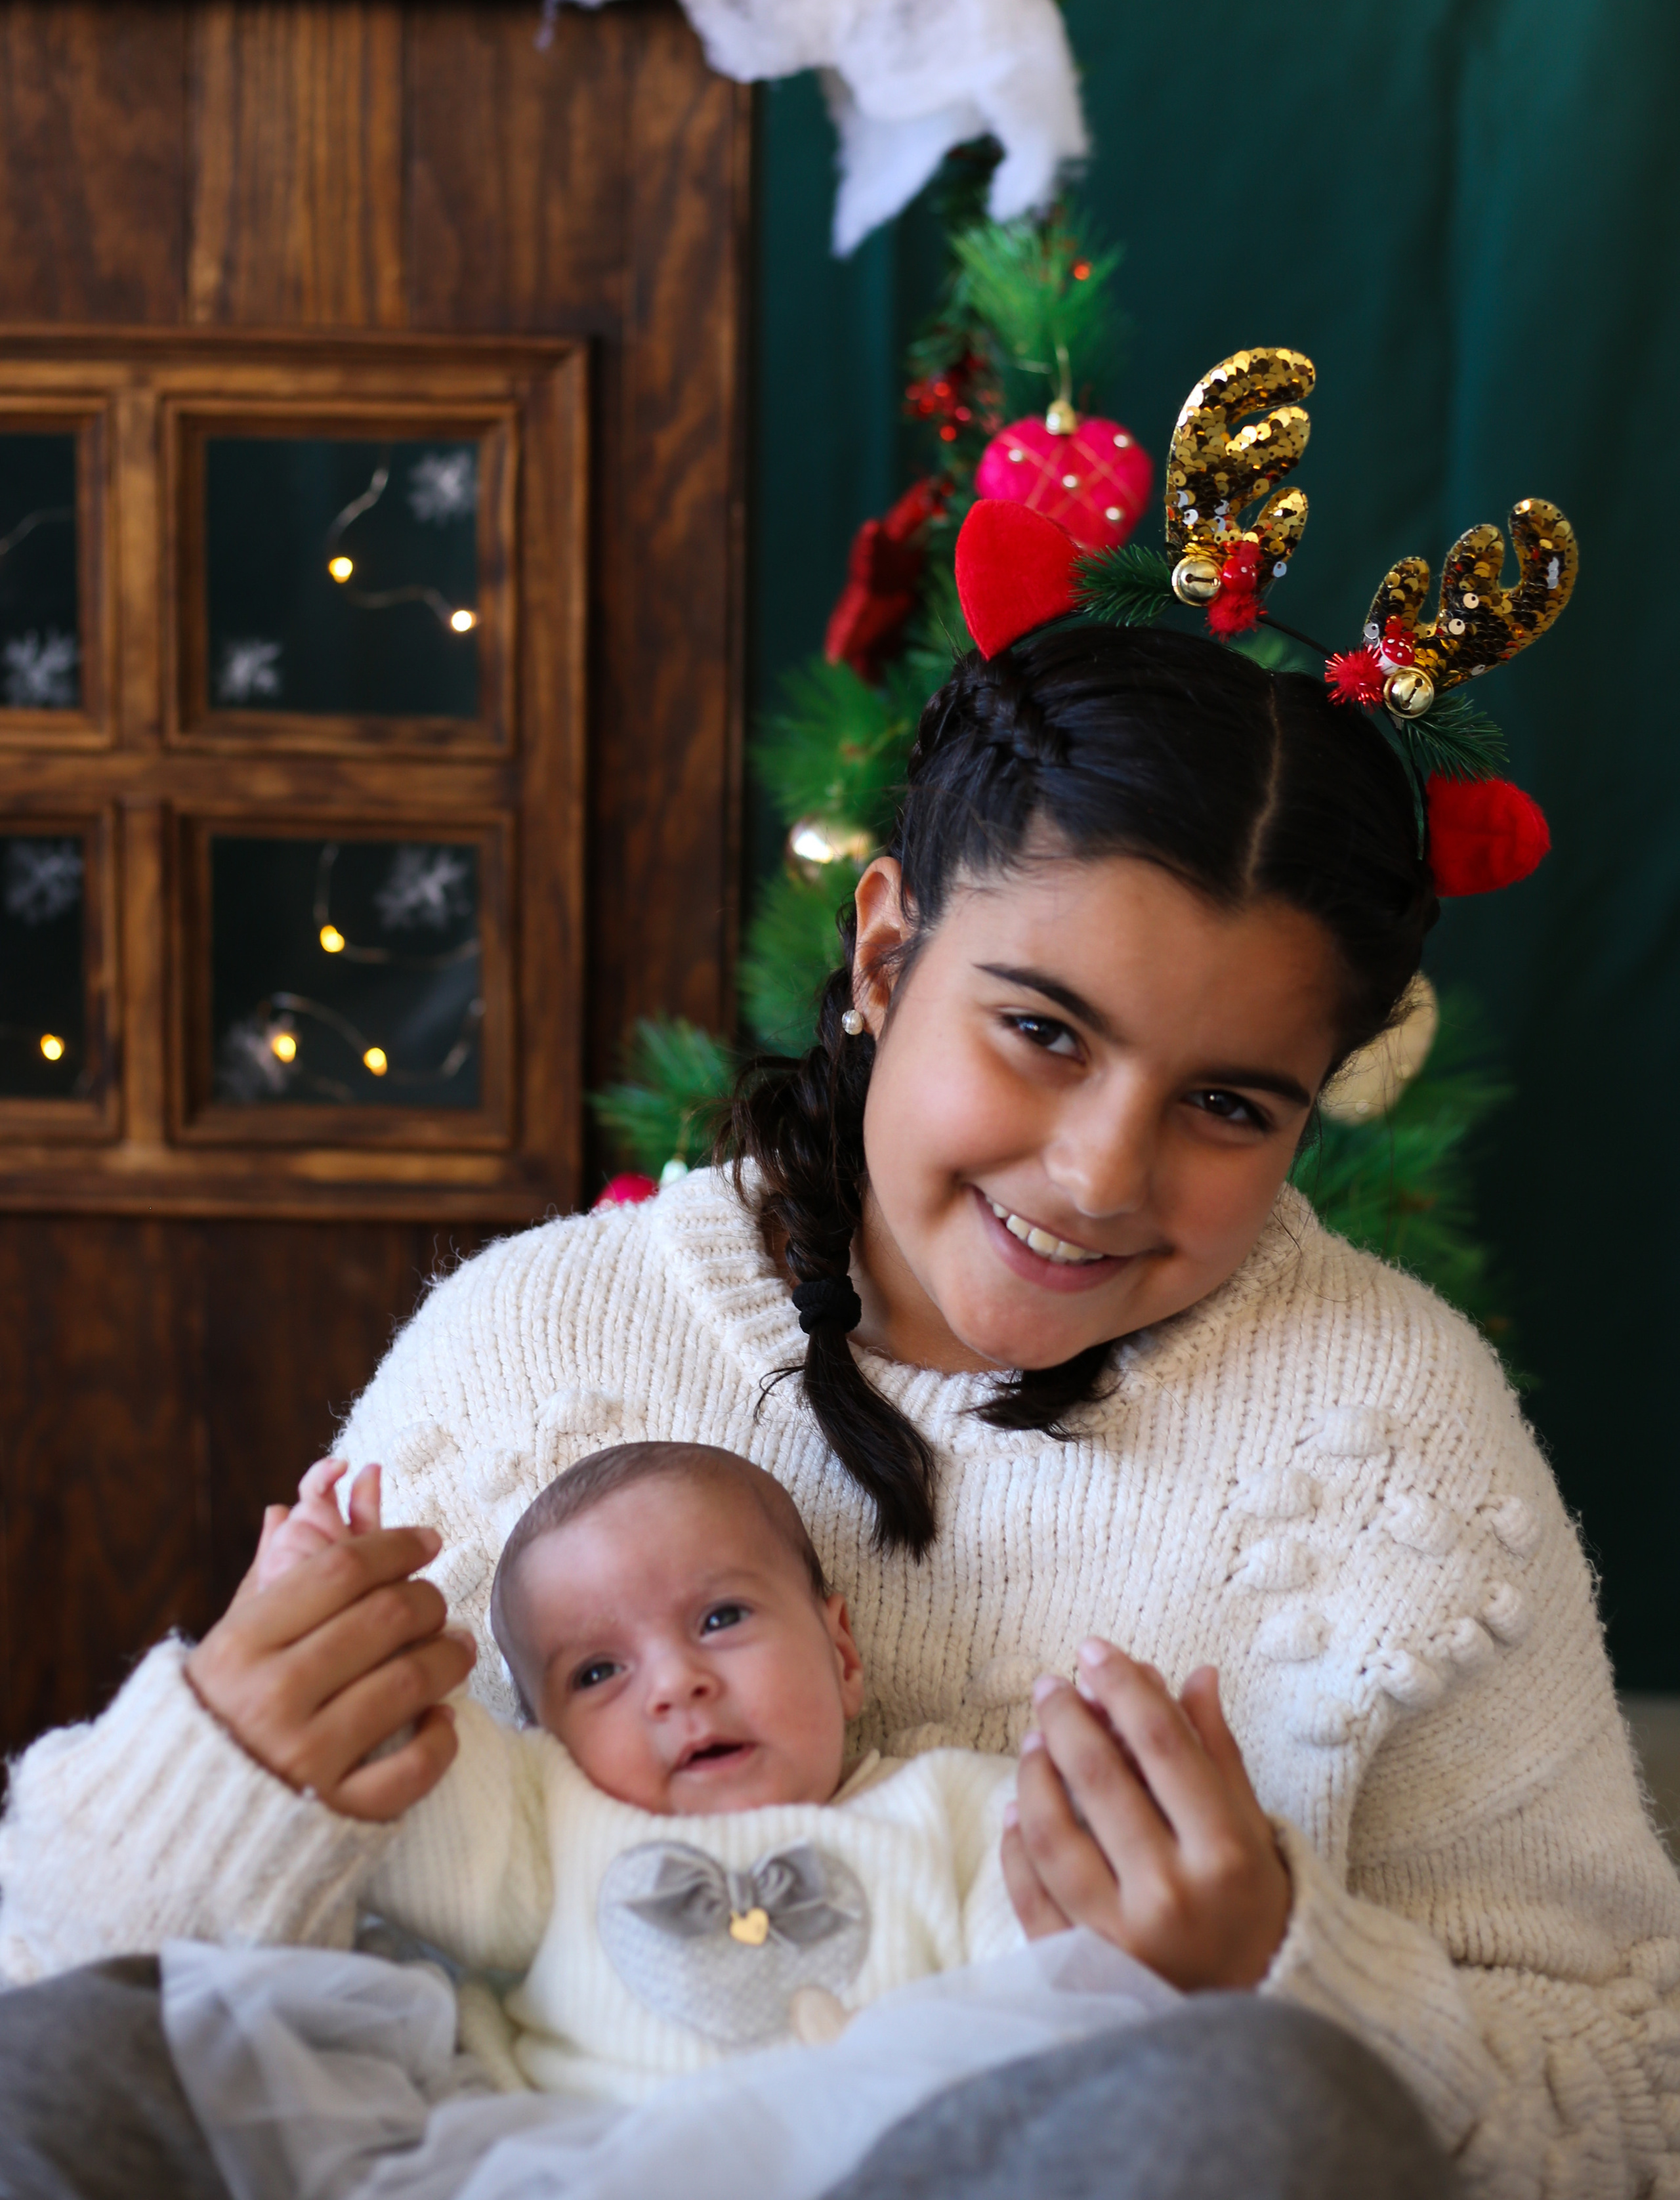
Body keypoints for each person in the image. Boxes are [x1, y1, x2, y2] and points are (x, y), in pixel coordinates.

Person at [1, 468, 1675, 2199]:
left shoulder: (1393, 1427)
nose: (1098, 1174)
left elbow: (1636, 2100)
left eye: (1230, 1105)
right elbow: (70, 1981)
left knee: (1253, 2103)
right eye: (1040, 1031)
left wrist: (1283, 1963)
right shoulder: (536, 1343)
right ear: (884, 959)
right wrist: (224, 1777)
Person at [251, 1439, 1025, 2097]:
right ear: (543, 1739)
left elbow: (1056, 1992)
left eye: (721, 1618)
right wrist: (329, 1624)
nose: (676, 1684)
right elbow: (411, 1784)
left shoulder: (956, 1809)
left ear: (842, 1657)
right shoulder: (543, 1821)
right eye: (596, 1673)